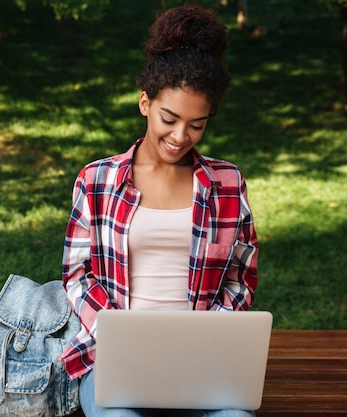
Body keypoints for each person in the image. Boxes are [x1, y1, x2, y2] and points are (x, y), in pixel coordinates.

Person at [59, 5, 259, 417]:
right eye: (169, 118)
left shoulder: (227, 183)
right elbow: (77, 276)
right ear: (145, 103)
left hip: (202, 360)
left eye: (197, 124)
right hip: (113, 358)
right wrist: (121, 338)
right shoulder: (97, 180)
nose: (180, 136)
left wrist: (206, 337)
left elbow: (242, 277)